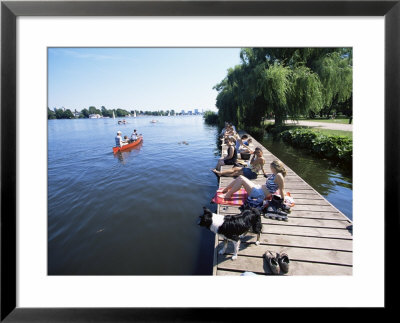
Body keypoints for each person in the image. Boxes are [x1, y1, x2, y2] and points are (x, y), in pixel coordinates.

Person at [221, 160, 287, 201]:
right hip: (259, 189)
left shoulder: (279, 176)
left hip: (259, 194)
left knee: (241, 180)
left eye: (271, 167)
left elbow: (281, 189)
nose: (270, 169)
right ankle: (226, 189)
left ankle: (228, 195)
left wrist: (282, 201)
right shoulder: (274, 174)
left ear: (274, 168)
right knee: (240, 177)